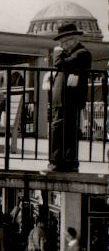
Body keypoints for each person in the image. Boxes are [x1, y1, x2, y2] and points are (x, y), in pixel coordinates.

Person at [48, 22, 92, 172]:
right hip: (62, 99)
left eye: (64, 42)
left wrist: (58, 52)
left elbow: (59, 64)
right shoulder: (73, 53)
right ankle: (62, 162)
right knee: (60, 129)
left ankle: (64, 162)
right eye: (61, 43)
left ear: (73, 39)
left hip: (70, 99)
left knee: (66, 130)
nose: (63, 45)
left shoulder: (82, 53)